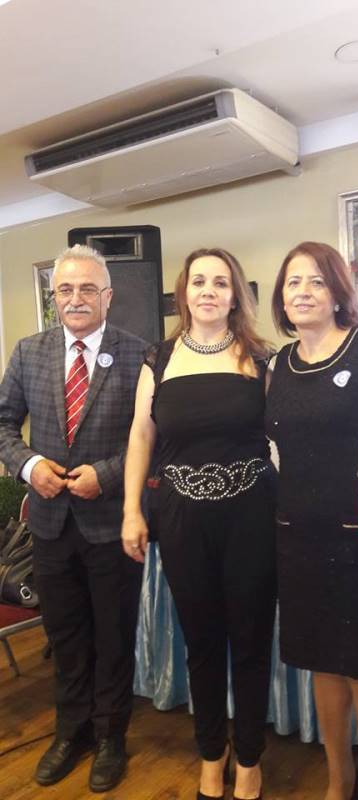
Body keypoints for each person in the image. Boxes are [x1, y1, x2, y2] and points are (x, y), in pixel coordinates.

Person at [122, 247, 277, 800]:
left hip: (252, 520)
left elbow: (282, 438)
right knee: (202, 642)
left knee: (251, 641)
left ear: (235, 295)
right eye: (198, 282)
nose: (208, 291)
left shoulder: (260, 358)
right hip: (183, 521)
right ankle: (213, 754)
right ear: (183, 293)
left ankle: (250, 758)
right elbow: (141, 436)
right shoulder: (158, 359)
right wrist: (131, 510)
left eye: (220, 282)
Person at [0, 244, 146, 792]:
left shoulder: (139, 354)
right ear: (53, 297)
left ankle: (110, 738)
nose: (76, 299)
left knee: (113, 637)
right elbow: (3, 424)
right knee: (65, 637)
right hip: (50, 525)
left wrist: (105, 475)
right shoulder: (29, 352)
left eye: (87, 289)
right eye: (65, 289)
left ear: (107, 296)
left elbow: (151, 436)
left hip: (111, 523)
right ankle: (71, 732)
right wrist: (29, 464)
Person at [266, 242, 358, 800]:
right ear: (281, 297)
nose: (303, 292)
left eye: (316, 281)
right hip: (297, 536)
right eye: (293, 282)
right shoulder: (277, 364)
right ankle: (339, 778)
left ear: (338, 292)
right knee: (321, 663)